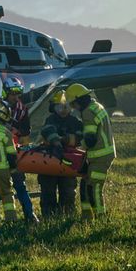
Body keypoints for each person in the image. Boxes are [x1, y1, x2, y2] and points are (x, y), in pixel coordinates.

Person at [0, 77, 39, 223]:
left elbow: (26, 130)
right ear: (5, 92)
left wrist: (16, 130)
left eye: (18, 93)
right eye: (13, 93)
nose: (16, 97)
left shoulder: (22, 110)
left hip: (13, 152)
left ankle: (30, 215)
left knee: (20, 185)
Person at [65, 83, 116, 220]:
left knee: (94, 188)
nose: (73, 108)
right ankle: (86, 216)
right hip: (101, 154)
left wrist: (74, 143)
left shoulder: (88, 112)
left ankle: (101, 218)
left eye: (73, 104)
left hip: (100, 156)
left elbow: (90, 140)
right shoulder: (96, 106)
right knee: (85, 185)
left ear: (78, 100)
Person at [38, 90, 82, 219]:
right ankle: (49, 216)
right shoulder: (50, 120)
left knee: (68, 190)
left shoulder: (75, 122)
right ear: (54, 107)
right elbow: (48, 130)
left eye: (66, 106)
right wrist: (57, 142)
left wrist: (63, 140)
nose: (63, 110)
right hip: (50, 161)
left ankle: (67, 215)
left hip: (68, 162)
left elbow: (80, 137)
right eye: (60, 106)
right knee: (48, 191)